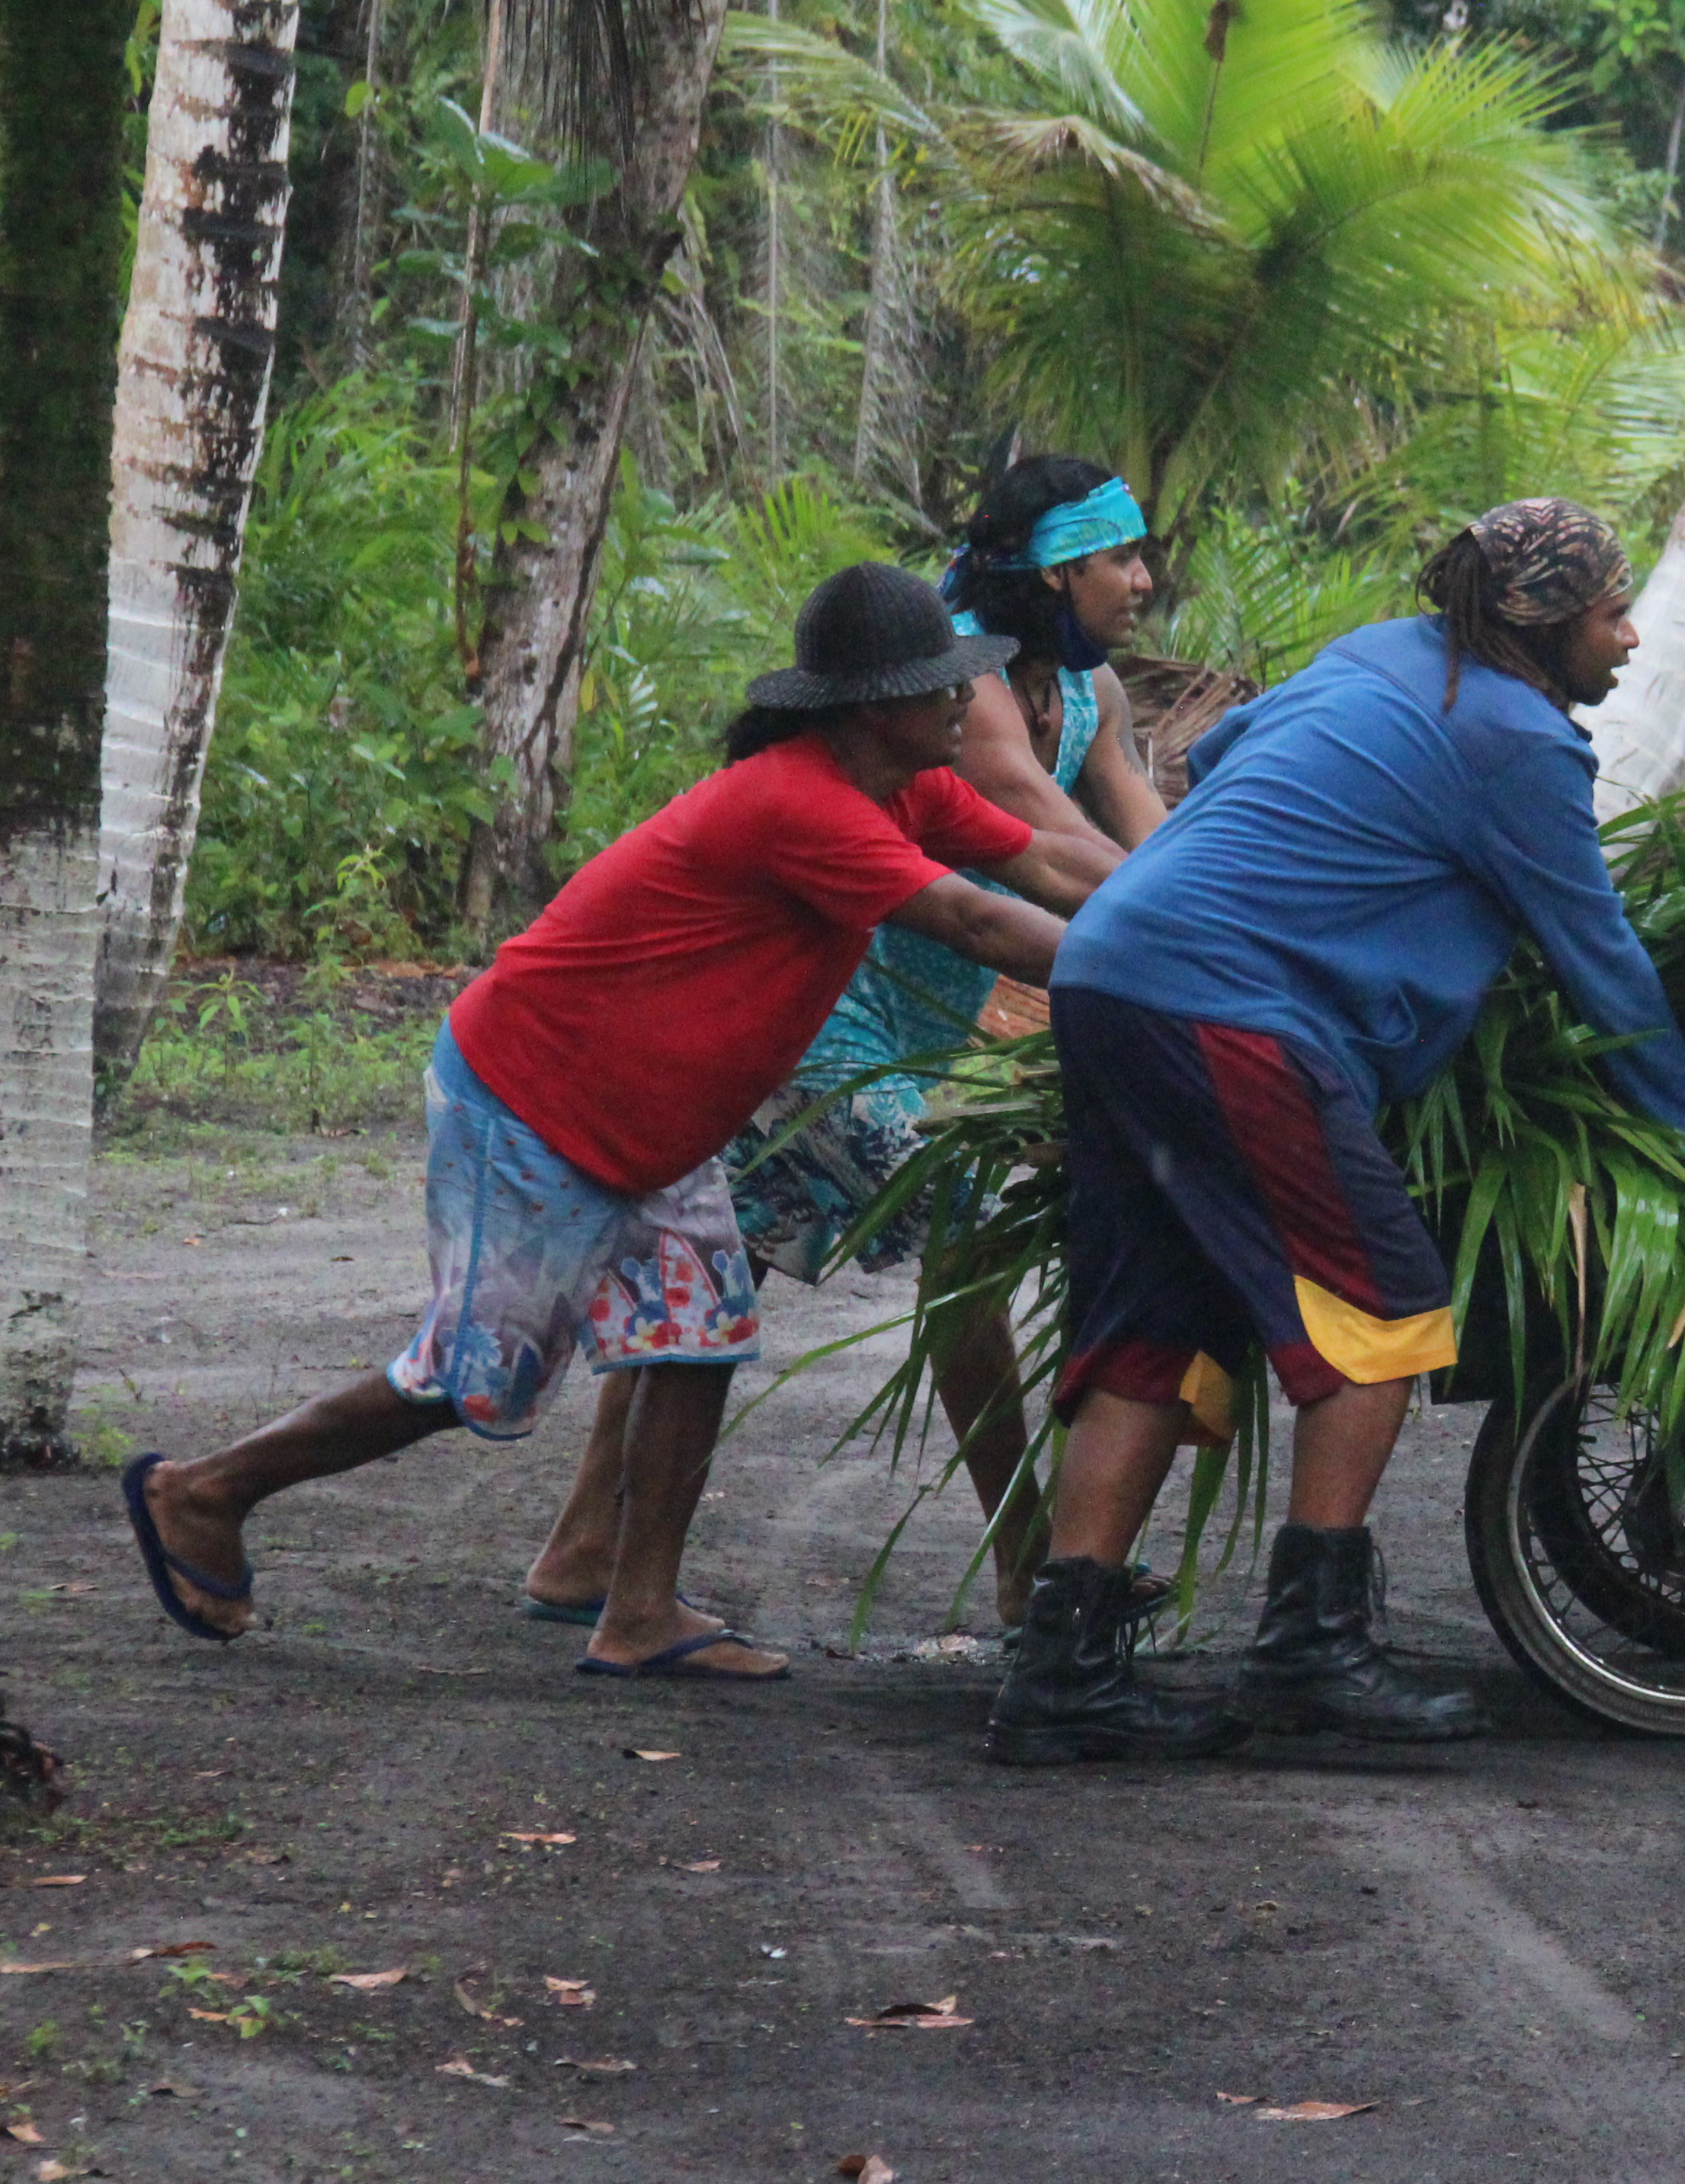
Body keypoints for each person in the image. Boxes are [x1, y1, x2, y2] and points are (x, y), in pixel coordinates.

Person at [123, 565, 1118, 1683]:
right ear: (869, 707)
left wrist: (1181, 904)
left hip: (649, 1120)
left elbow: (1036, 859)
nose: (960, 703)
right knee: (469, 1375)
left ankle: (636, 1607)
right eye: (937, 686)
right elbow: (970, 917)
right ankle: (201, 1491)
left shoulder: (905, 786)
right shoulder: (798, 803)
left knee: (697, 1338)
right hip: (534, 1096)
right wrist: (1163, 970)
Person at [990, 497, 1685, 1766]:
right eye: (1611, 614)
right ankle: (1312, 1655)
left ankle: (1060, 1676)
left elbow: (1221, 760)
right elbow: (1602, 959)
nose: (1633, 639)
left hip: (1111, 974)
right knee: (1379, 1311)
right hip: (1230, 1007)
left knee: (1155, 1324)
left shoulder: (1383, 652)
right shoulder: (1521, 743)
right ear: (1541, 626)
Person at [517, 460, 1166, 1637]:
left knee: (726, 1264)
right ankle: (1034, 1570)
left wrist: (1215, 909)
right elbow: (1051, 854)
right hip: (832, 1015)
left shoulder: (1093, 692)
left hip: (929, 1023)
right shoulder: (949, 684)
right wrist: (1200, 948)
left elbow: (1131, 848)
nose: (1143, 579)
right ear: (1061, 568)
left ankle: (586, 1546)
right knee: (956, 1238)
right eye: (1121, 557)